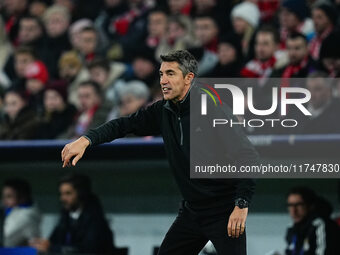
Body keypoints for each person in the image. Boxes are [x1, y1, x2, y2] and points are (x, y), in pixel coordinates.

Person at [61, 50, 258, 255]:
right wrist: (87, 139)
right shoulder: (163, 110)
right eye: (161, 74)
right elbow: (124, 125)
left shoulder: (213, 109)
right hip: (192, 210)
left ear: (188, 78)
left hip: (224, 211)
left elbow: (248, 156)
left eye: (170, 74)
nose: (163, 80)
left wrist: (241, 205)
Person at [30, 173, 115, 254]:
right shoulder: (66, 217)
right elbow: (53, 240)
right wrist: (43, 244)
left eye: (68, 194)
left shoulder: (95, 220)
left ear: (81, 194)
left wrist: (52, 248)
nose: (62, 198)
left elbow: (88, 250)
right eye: (61, 194)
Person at [285, 187, 340, 255]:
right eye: (290, 205)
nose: (294, 211)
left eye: (299, 205)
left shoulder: (323, 226)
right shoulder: (292, 228)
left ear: (311, 206)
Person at [2, 178, 41, 247]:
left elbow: (5, 239)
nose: (4, 201)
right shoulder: (11, 212)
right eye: (3, 197)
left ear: (22, 197)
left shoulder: (27, 216)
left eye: (9, 197)